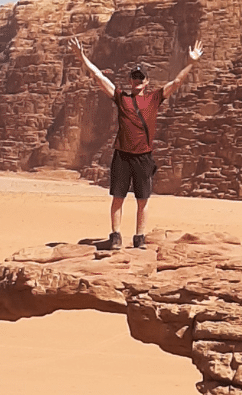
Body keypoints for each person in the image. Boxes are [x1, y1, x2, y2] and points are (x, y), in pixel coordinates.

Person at [69, 36, 204, 249]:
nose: (138, 81)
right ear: (130, 81)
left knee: (143, 200)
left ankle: (139, 237)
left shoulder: (154, 98)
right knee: (118, 197)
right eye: (134, 77)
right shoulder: (121, 97)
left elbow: (176, 83)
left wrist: (190, 63)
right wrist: (82, 57)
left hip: (143, 157)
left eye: (141, 78)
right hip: (122, 155)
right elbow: (97, 77)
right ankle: (116, 235)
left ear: (147, 82)